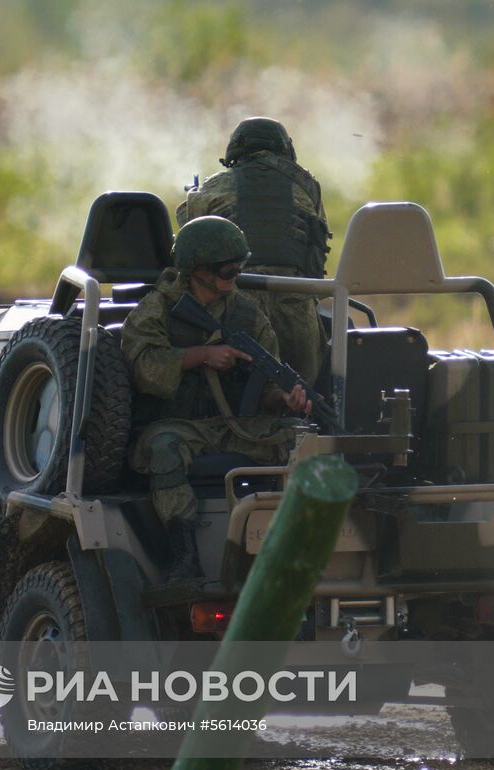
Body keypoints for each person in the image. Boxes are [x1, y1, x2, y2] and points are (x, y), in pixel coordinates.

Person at [121, 216, 310, 581]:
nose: (234, 277)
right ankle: (185, 555)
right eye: (226, 271)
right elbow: (143, 367)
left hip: (236, 426)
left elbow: (266, 388)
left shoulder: (247, 315)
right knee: (164, 449)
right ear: (197, 271)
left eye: (239, 268)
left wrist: (285, 400)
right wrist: (201, 357)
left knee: (301, 441)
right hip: (178, 425)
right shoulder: (157, 309)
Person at [179, 117, 331, 388]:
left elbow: (189, 237)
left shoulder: (213, 187)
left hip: (235, 301)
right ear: (286, 150)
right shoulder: (308, 187)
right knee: (302, 394)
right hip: (296, 305)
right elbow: (317, 248)